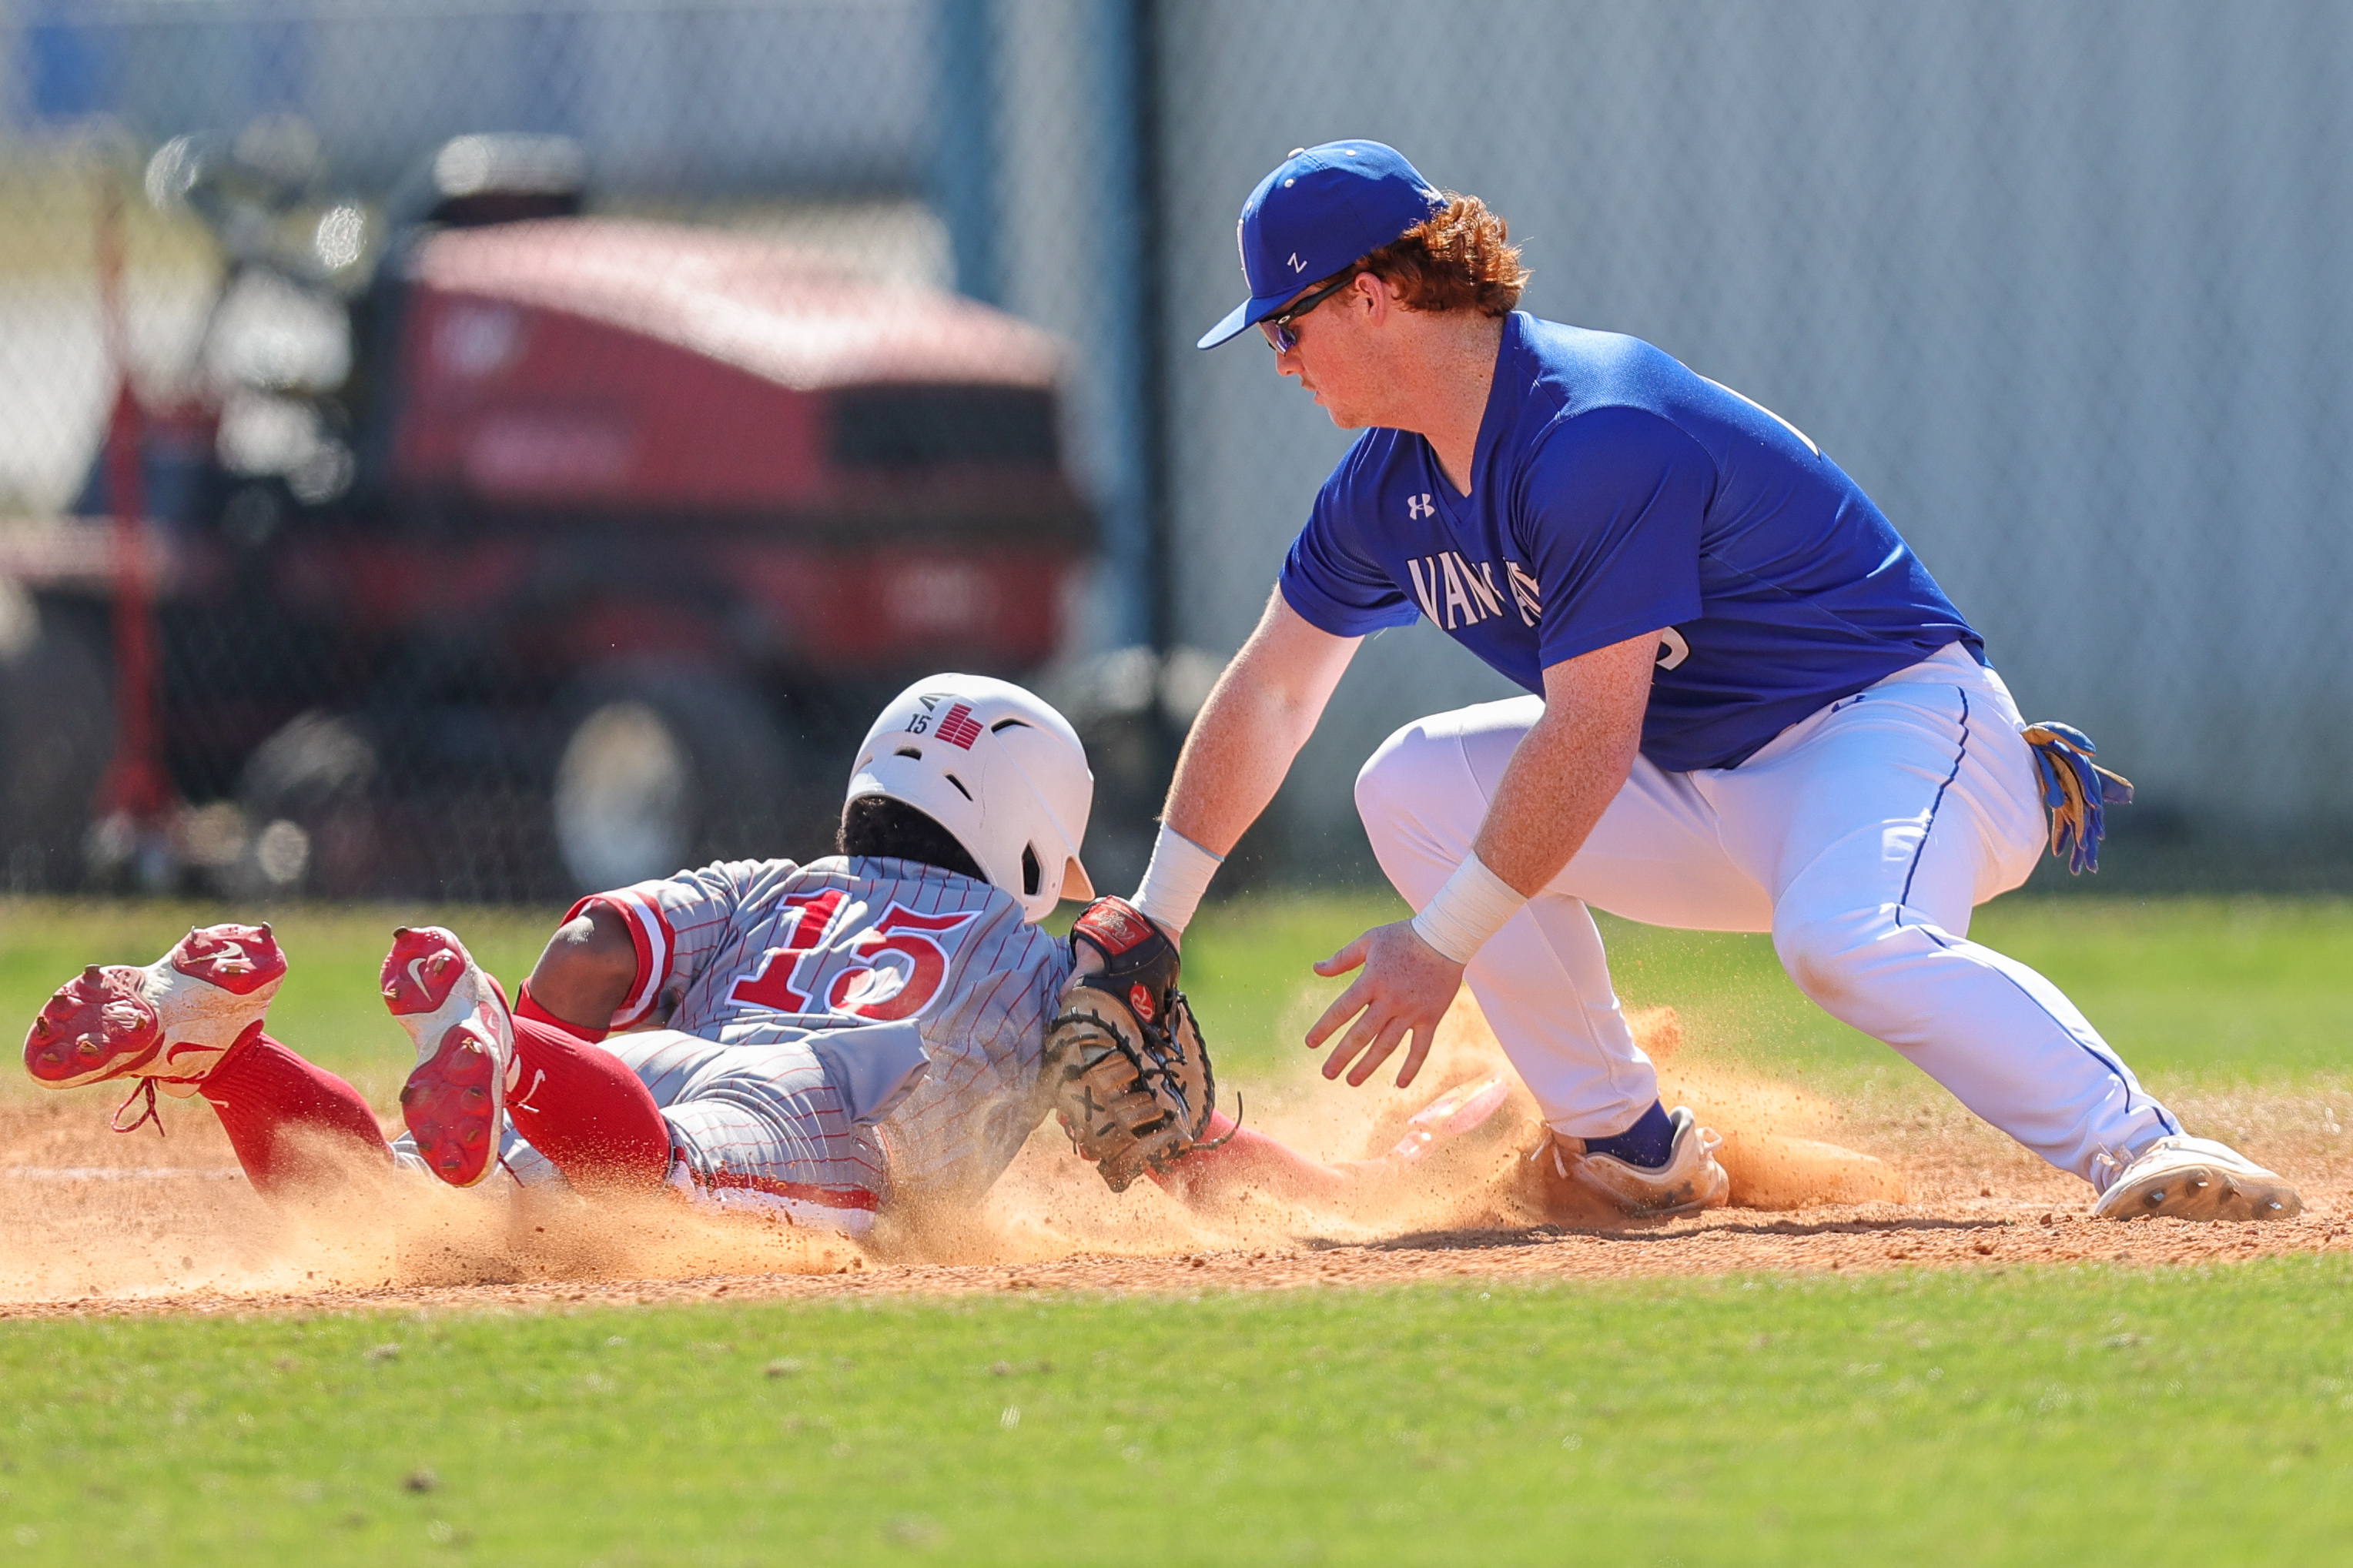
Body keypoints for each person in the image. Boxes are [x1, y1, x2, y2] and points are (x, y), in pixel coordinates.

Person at [1132, 139, 2298, 1224]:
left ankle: (2143, 1144)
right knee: (1411, 783)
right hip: (1707, 784)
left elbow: (1589, 736)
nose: (1278, 360)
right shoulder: (1382, 492)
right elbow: (1275, 689)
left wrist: (1438, 946)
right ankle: (1627, 1144)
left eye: (1285, 325)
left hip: (1892, 734)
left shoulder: (1592, 428)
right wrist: (1153, 922)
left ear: (1371, 296)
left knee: (1843, 940)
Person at [22, 674, 1495, 1238]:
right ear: (1041, 837)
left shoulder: (775, 880)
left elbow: (598, 944)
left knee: (419, 1202)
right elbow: (1196, 1150)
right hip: (806, 1109)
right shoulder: (1048, 962)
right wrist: (1364, 1190)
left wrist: (543, 1046)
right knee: (664, 1175)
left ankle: (220, 1048)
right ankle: (492, 1045)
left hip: (631, 1061)